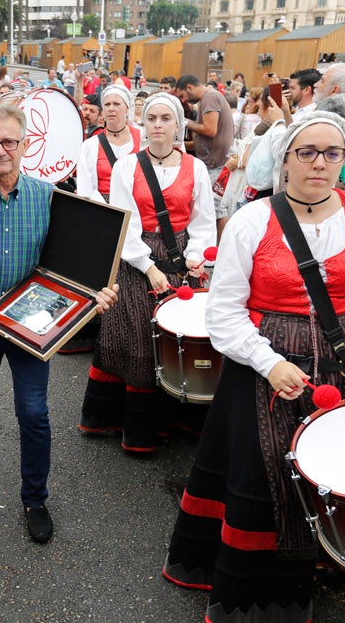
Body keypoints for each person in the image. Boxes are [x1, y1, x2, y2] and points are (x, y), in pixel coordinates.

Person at [163, 112, 345, 623]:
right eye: (307, 152)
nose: (320, 163)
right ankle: (261, 599)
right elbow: (224, 313)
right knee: (266, 477)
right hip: (262, 365)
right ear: (286, 159)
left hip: (341, 362)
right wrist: (268, 363)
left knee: (333, 470)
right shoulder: (253, 221)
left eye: (332, 153)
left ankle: (325, 559)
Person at [0, 103, 118, 543]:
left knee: (34, 412)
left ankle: (34, 498)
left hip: (35, 327)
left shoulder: (48, 197)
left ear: (25, 145)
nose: (0, 149)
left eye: (9, 141)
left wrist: (96, 292)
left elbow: (72, 266)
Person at [78, 93, 216, 450]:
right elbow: (126, 224)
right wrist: (149, 267)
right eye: (151, 118)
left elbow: (203, 220)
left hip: (183, 259)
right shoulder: (127, 167)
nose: (158, 125)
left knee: (180, 339)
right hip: (139, 259)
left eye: (165, 119)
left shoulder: (195, 167)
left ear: (177, 125)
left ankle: (177, 418)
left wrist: (197, 256)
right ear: (144, 122)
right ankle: (138, 430)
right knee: (140, 340)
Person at [176, 74, 235, 225]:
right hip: (214, 162)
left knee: (215, 211)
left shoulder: (209, 97)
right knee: (215, 210)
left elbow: (210, 130)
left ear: (190, 87)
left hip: (216, 165)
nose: (184, 100)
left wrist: (186, 123)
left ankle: (218, 247)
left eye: (182, 95)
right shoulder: (209, 97)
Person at [76, 85, 140, 202]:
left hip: (137, 207)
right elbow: (85, 189)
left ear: (127, 108)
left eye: (116, 104)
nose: (111, 108)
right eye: (107, 104)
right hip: (103, 208)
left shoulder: (142, 140)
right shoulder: (90, 145)